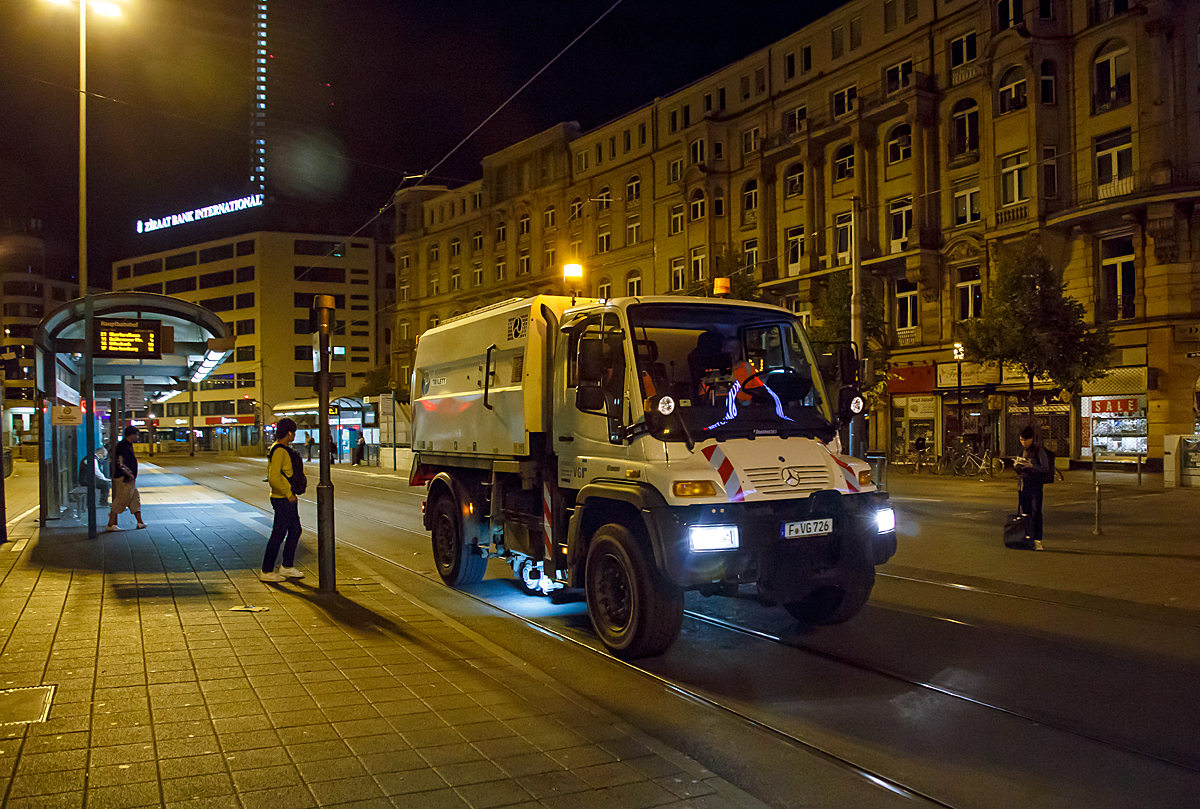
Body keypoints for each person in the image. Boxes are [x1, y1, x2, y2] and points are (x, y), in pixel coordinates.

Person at [260, 417, 305, 582]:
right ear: (289, 433)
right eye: (293, 432)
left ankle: (287, 566)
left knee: (295, 530)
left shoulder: (279, 448)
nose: (294, 436)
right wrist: (288, 494)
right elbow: (273, 477)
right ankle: (267, 570)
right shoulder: (279, 450)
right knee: (278, 534)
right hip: (283, 499)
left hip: (285, 498)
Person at [1012, 425, 1051, 551]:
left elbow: (1045, 468)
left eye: (1025, 440)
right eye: (1021, 440)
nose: (1023, 442)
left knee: (1036, 512)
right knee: (1026, 513)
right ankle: (1027, 538)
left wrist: (1031, 465)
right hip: (1023, 484)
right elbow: (1018, 470)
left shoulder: (1038, 451)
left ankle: (1037, 540)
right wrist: (1017, 465)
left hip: (1035, 485)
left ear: (1031, 439)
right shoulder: (1021, 450)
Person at [106, 426, 145, 531]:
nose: (137, 437)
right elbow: (120, 463)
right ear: (131, 435)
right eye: (136, 435)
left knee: (134, 499)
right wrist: (129, 474)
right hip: (124, 478)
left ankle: (140, 522)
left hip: (129, 478)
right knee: (121, 499)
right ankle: (110, 524)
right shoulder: (123, 446)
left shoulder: (128, 445)